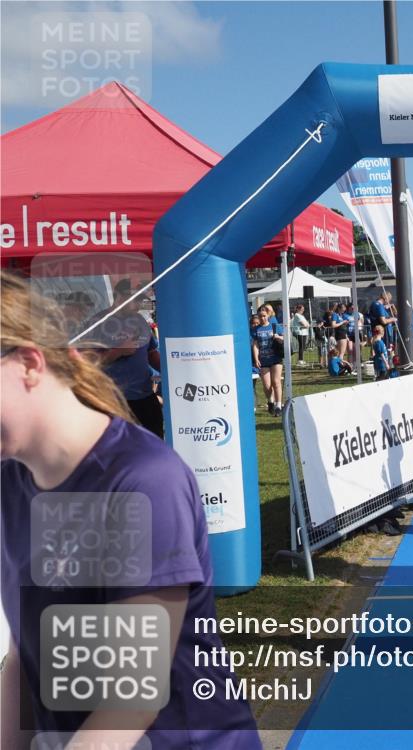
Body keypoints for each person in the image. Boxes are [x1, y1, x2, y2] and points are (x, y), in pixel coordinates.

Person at [0, 272, 261, 749]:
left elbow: (131, 698)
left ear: (30, 364)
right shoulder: (12, 480)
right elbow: (24, 651)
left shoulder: (141, 482)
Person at [85, 279, 163, 437]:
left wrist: (172, 372)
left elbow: (151, 354)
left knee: (154, 443)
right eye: (136, 299)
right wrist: (118, 352)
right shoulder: (97, 323)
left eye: (141, 300)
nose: (139, 304)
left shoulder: (141, 321)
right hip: (114, 402)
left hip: (145, 397)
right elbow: (87, 363)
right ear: (119, 297)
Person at [252, 304, 284, 415]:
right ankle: (270, 401)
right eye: (260, 316)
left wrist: (278, 337)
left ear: (268, 315)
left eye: (264, 315)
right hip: (264, 360)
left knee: (276, 382)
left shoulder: (274, 326)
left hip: (276, 358)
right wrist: (256, 358)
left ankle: (278, 405)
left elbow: (284, 338)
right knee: (266, 385)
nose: (262, 318)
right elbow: (255, 345)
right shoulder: (256, 329)